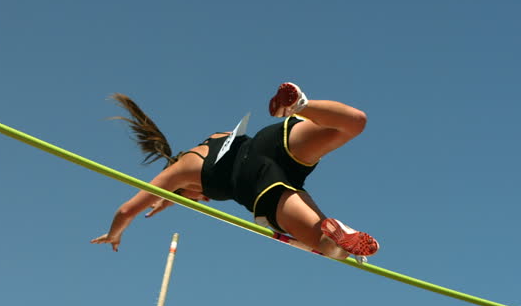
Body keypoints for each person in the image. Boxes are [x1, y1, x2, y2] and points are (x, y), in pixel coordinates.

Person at [91, 83, 379, 259]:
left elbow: (127, 211)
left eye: (195, 198)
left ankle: (335, 230)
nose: (202, 199)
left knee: (330, 249)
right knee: (355, 123)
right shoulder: (216, 137)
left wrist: (114, 234)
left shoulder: (179, 172)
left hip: (257, 183)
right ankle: (301, 105)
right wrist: (172, 197)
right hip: (271, 142)